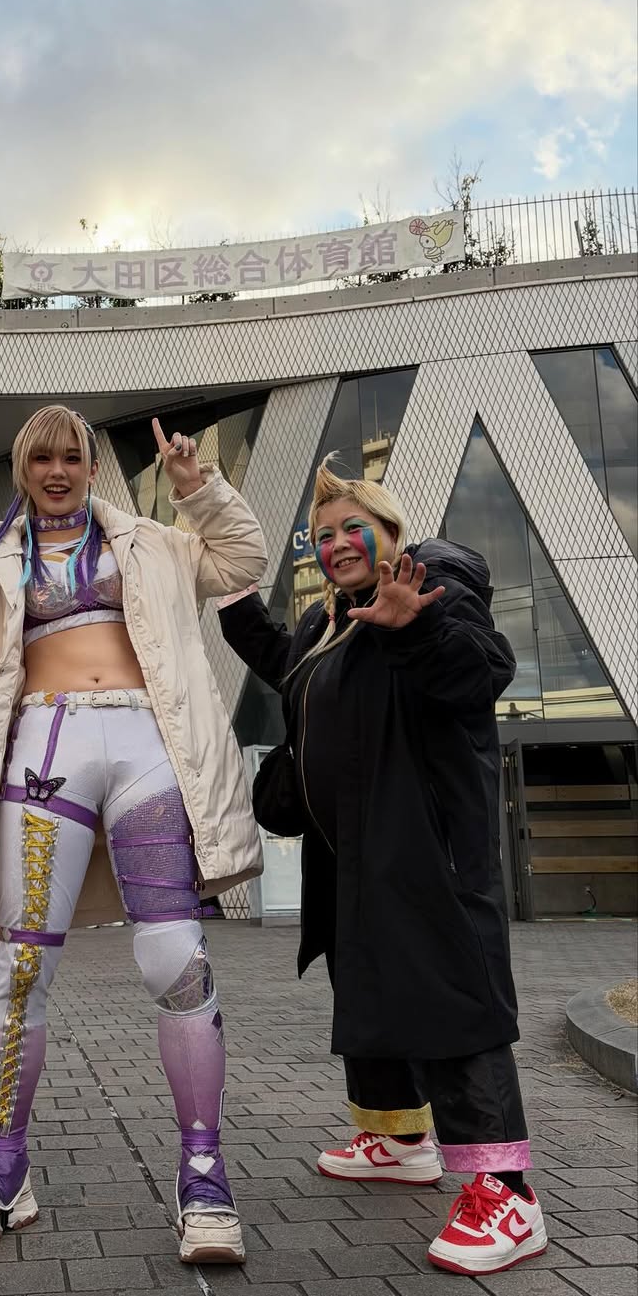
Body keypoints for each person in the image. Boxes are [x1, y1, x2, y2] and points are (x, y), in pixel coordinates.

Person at [0, 406, 265, 1264]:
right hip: (46, 746)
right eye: (43, 457)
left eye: (72, 455)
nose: (59, 470)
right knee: (21, 965)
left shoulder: (153, 539)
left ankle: (205, 1175)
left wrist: (199, 488)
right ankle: (4, 1167)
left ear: (90, 466)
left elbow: (244, 560)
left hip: (149, 745)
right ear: (23, 467)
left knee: (176, 956)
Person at [218, 459, 547, 1278]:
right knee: (369, 985)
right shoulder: (331, 621)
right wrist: (229, 586)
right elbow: (281, 657)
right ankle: (398, 1139)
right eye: (321, 534)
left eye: (351, 527)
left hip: (428, 847)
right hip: (358, 851)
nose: (335, 543)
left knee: (451, 999)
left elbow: (481, 669)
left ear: (392, 531)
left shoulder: (434, 585)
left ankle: (508, 1194)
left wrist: (415, 628)